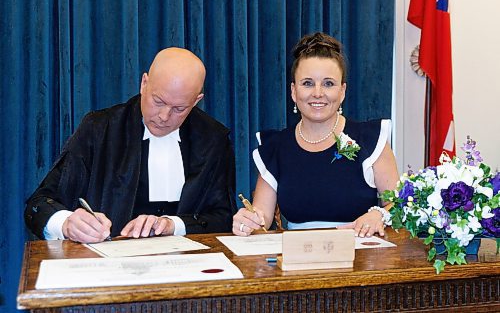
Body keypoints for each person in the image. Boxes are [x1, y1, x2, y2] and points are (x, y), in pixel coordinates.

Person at [25, 47, 236, 243]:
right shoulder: (100, 129)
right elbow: (39, 204)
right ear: (144, 83)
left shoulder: (213, 139)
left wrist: (175, 225)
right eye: (159, 101)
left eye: (179, 109)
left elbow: (224, 217)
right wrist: (66, 223)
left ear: (197, 100)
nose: (164, 116)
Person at [232, 32, 399, 238]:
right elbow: (261, 220)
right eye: (308, 83)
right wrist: (247, 222)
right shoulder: (275, 147)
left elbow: (399, 205)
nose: (318, 93)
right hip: (297, 263)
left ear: (343, 91)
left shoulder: (372, 140)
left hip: (361, 260)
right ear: (294, 91)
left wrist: (379, 215)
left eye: (328, 83)